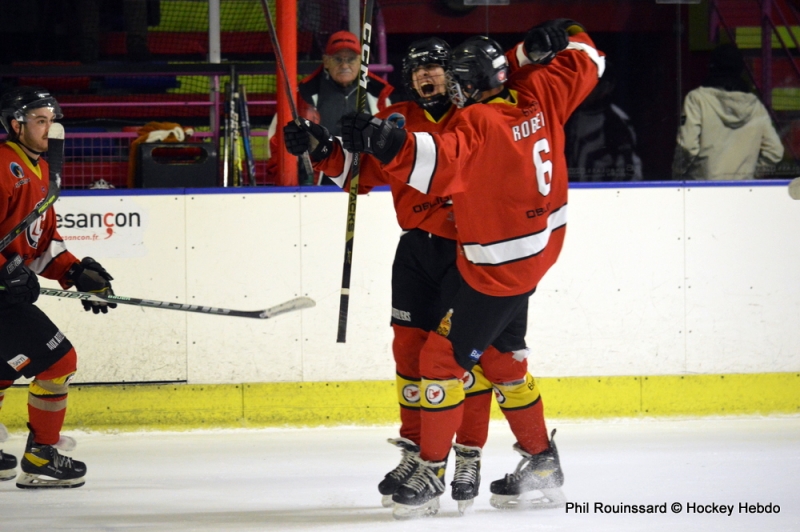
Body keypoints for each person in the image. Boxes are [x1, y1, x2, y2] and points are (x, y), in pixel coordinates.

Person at [337, 21, 603, 517]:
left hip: (493, 267)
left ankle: (434, 471)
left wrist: (383, 141)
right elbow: (589, 55)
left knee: (441, 363)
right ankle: (541, 462)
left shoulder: (477, 123)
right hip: (537, 250)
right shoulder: (539, 90)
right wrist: (540, 45)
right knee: (502, 360)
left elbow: (437, 165)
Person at [284, 37, 494, 514]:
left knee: (464, 357)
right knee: (409, 350)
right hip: (417, 248)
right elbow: (360, 174)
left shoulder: (476, 115)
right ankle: (418, 451)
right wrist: (320, 149)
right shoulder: (396, 116)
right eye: (417, 69)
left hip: (470, 250)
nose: (427, 76)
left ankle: (467, 454)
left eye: (435, 67)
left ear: (452, 72)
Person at [0, 86, 117, 489]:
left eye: (52, 120)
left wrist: (75, 273)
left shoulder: (43, 172)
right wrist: (4, 271)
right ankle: (41, 456)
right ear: (15, 125)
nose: (49, 128)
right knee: (59, 361)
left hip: (5, 291)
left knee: (3, 368)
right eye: (39, 120)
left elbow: (40, 241)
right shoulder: (2, 166)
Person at [266, 30, 394, 185]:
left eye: (351, 59)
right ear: (326, 61)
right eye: (337, 59)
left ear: (361, 61)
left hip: (366, 183)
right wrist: (286, 184)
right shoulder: (301, 97)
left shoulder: (379, 97)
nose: (344, 65)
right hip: (317, 186)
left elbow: (393, 146)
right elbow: (277, 142)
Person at [672, 43, 784, 180]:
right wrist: (750, 174)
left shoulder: (697, 99)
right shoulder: (755, 105)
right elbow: (775, 151)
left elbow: (688, 147)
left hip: (702, 190)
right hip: (742, 192)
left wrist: (677, 174)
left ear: (711, 67)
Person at [564, 61, 642, 181]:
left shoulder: (615, 121)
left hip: (603, 194)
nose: (585, 89)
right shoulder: (572, 117)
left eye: (592, 83)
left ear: (607, 87)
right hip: (573, 192)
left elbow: (630, 171)